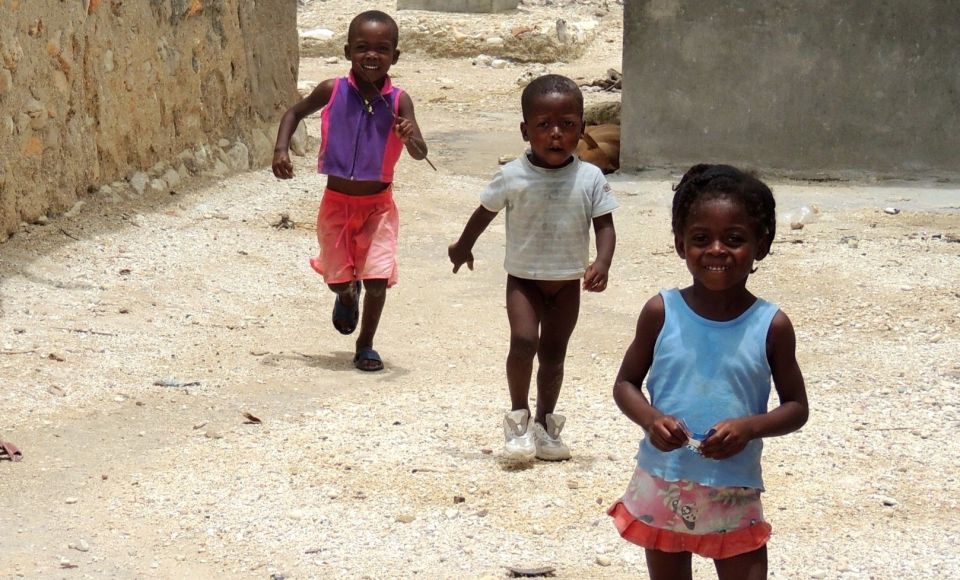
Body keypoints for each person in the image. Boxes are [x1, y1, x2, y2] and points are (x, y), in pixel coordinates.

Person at [607, 164, 809, 580]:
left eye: (734, 239)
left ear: (762, 245)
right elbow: (625, 384)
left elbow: (796, 407)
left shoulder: (770, 325)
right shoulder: (661, 312)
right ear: (681, 244)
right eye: (701, 239)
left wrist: (750, 427)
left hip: (733, 485)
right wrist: (651, 419)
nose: (716, 250)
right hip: (664, 481)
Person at [448, 74, 618, 461]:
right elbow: (483, 213)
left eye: (567, 125)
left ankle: (545, 425)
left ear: (581, 129)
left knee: (555, 355)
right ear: (526, 131)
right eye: (544, 126)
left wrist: (602, 262)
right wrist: (462, 247)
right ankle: (518, 419)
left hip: (566, 284)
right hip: (523, 280)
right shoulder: (512, 175)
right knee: (524, 342)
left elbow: (605, 226)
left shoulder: (590, 177)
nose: (556, 134)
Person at [272, 10, 428, 372]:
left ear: (395, 56)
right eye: (362, 48)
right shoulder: (333, 89)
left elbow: (421, 153)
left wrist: (410, 137)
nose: (371, 55)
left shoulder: (400, 101)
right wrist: (281, 149)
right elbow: (293, 114)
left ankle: (366, 345)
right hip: (336, 205)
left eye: (382, 49)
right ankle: (345, 293)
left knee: (376, 281)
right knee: (338, 279)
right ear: (347, 51)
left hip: (379, 207)